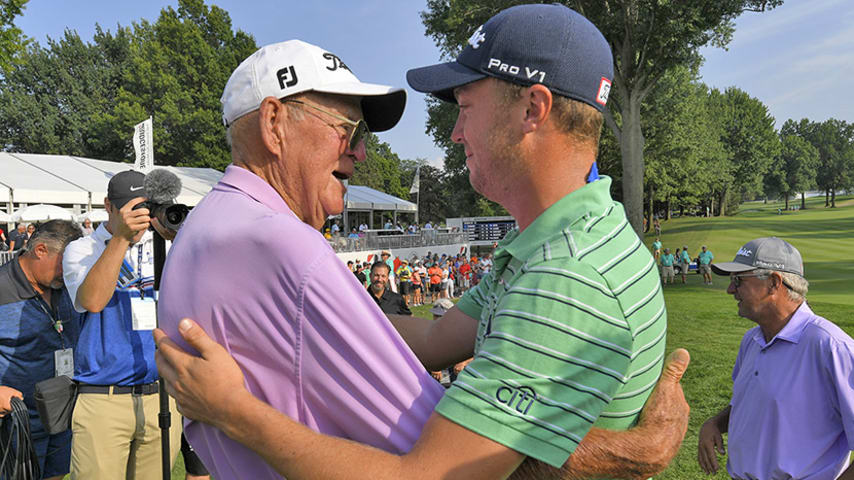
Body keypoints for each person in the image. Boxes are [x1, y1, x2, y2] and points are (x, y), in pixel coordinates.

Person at [155, 8, 689, 480]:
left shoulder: (568, 277)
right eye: (349, 130)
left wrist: (234, 410)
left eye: (465, 106)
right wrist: (325, 314)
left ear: (533, 109)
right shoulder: (544, 246)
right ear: (274, 123)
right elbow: (435, 342)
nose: (455, 133)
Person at [698, 237, 854, 480]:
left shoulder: (831, 346)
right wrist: (715, 423)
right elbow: (753, 403)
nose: (730, 290)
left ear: (773, 283)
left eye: (738, 281)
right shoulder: (751, 340)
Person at [62, 170, 182, 479]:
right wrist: (120, 240)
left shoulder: (164, 246)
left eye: (146, 207)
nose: (140, 216)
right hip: (104, 398)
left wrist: (180, 238)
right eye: (132, 208)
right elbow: (93, 301)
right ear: (109, 206)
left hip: (161, 397)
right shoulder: (82, 249)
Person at [0, 220, 83, 480]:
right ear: (40, 250)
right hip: (16, 421)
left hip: (63, 414)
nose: (68, 271)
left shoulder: (68, 285)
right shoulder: (2, 288)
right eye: (65, 262)